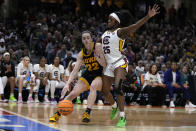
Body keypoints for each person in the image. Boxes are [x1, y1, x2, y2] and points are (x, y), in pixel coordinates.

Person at [99, 5, 160, 127]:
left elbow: (135, 26)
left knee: (117, 87)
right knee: (105, 91)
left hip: (119, 62)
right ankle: (114, 107)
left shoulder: (120, 31)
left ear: (117, 22)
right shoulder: (104, 33)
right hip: (108, 64)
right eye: (108, 19)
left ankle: (122, 116)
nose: (108, 21)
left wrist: (148, 16)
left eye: (111, 20)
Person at [49, 31, 106, 123]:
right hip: (88, 74)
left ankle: (87, 112)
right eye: (84, 38)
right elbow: (75, 70)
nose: (86, 40)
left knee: (93, 86)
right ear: (82, 41)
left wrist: (98, 58)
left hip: (99, 74)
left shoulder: (98, 46)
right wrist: (67, 84)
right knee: (73, 93)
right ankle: (58, 113)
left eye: (88, 38)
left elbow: (104, 65)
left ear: (91, 39)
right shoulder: (81, 54)